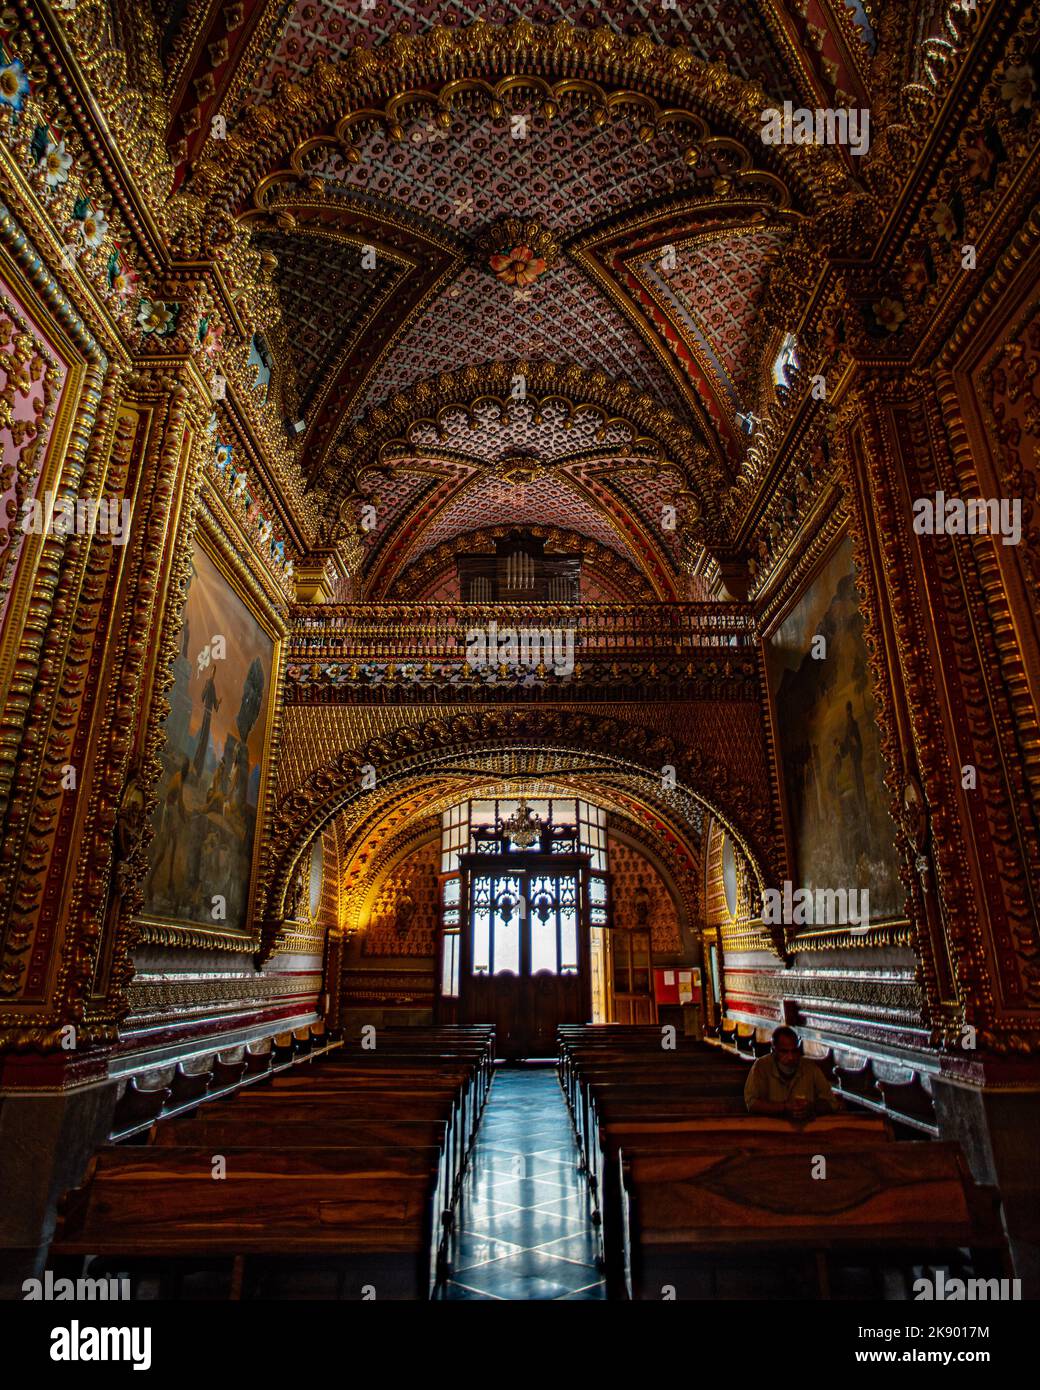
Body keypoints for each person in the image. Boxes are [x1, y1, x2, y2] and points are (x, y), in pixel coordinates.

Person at [744, 1025, 840, 1118]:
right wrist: (783, 1107)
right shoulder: (761, 1067)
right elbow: (752, 1104)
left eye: (794, 1051)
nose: (791, 1057)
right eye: (784, 1051)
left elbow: (831, 1103)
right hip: (771, 1128)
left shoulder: (810, 1068)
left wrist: (811, 1107)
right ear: (774, 1050)